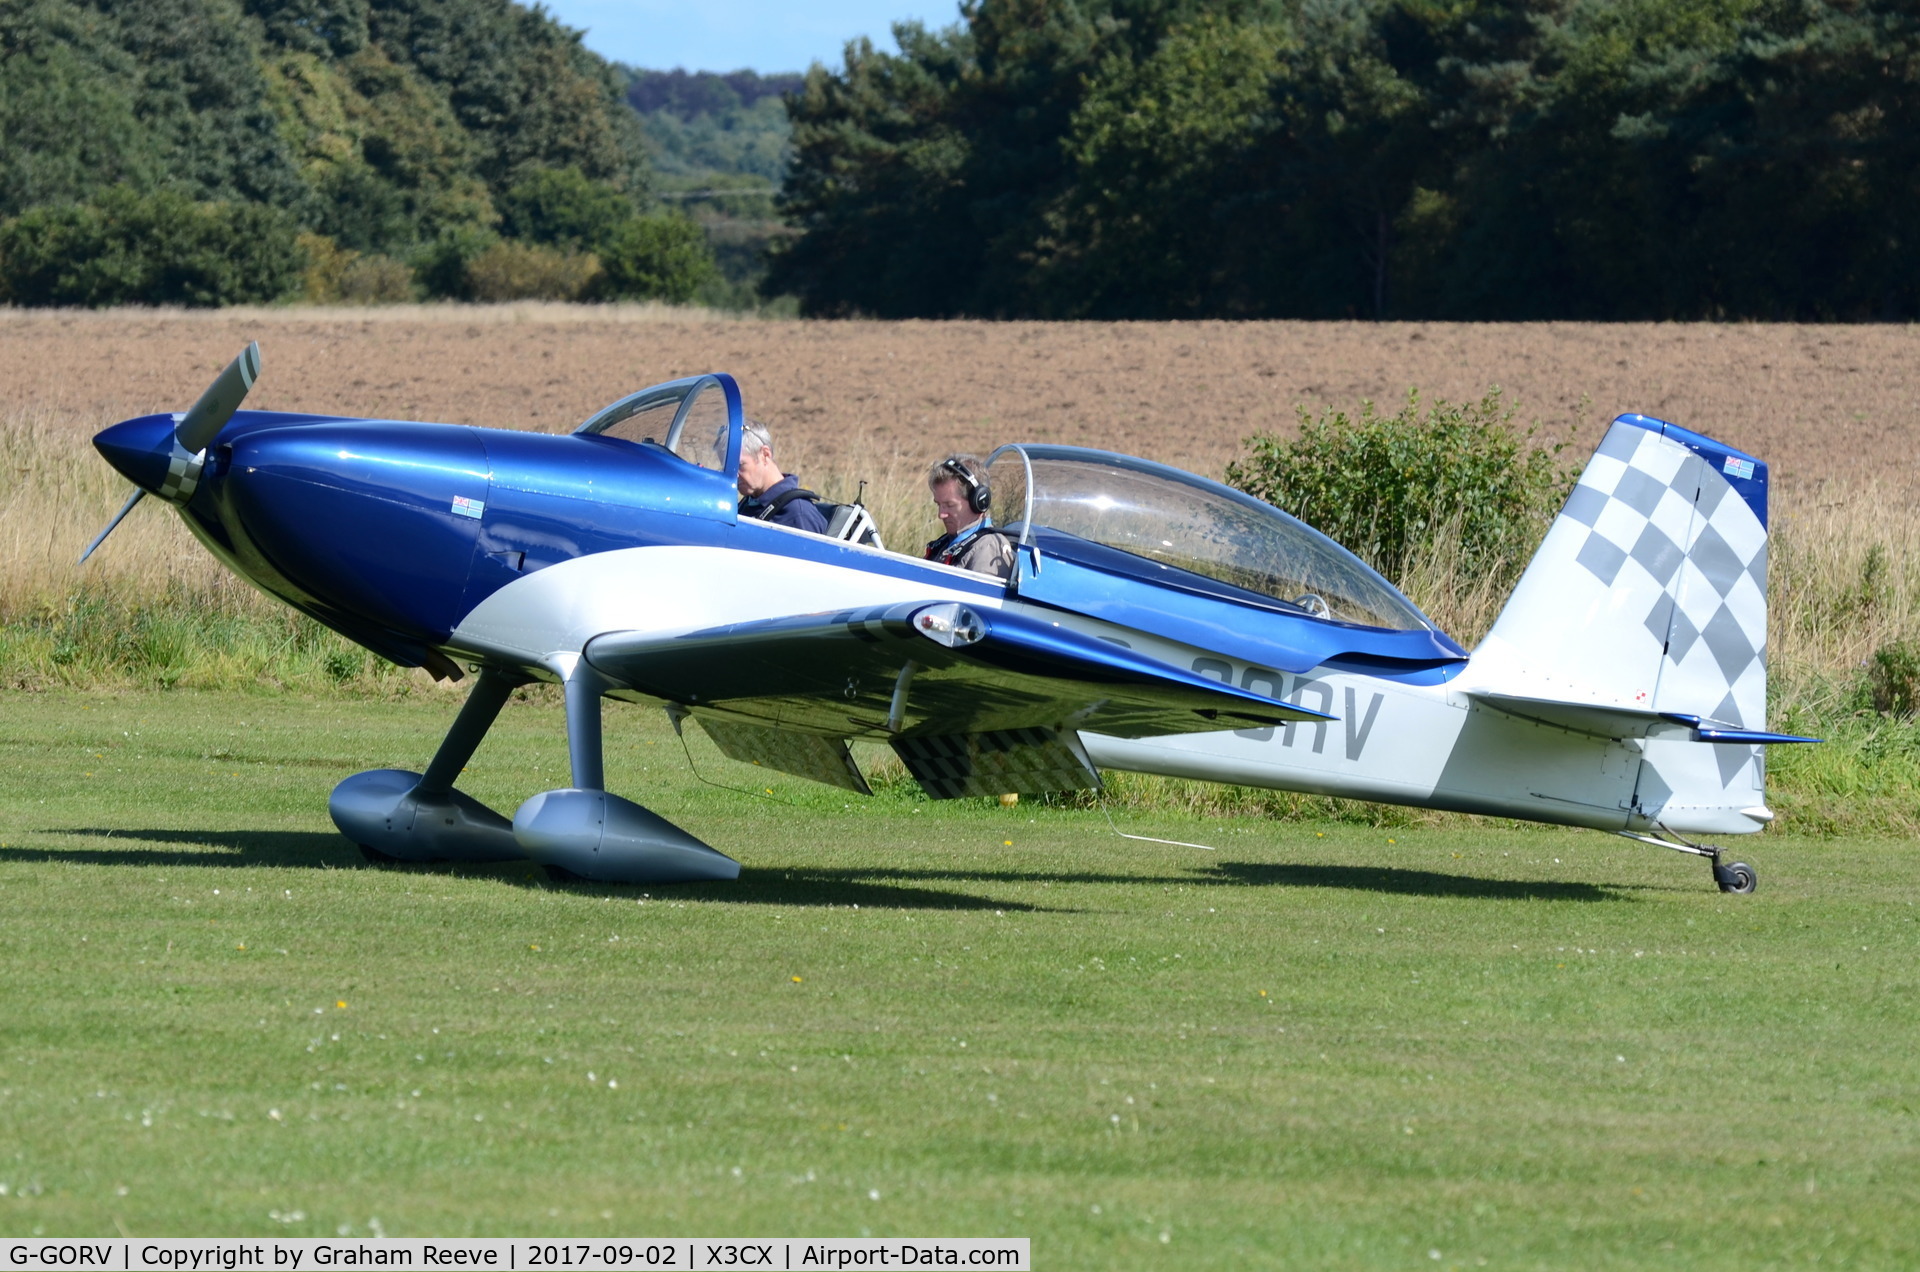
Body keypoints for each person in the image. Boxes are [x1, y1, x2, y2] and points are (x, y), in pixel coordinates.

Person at [924, 454, 1014, 580]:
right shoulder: (945, 544)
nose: (941, 515)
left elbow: (979, 598)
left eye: (950, 505)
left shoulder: (987, 548)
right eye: (939, 504)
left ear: (978, 502)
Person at [735, 419, 829, 534]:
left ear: (765, 455)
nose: (734, 474)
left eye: (739, 465)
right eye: (727, 467)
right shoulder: (749, 503)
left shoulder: (798, 514)